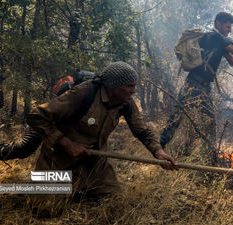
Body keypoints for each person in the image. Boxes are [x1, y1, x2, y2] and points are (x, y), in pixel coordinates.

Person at [25, 61, 177, 216]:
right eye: (130, 86)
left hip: (96, 163)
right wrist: (68, 144)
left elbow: (142, 131)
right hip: (59, 160)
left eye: (134, 86)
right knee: (44, 210)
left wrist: (159, 153)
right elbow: (37, 117)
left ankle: (78, 188)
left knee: (113, 203)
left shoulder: (126, 102)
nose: (133, 91)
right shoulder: (82, 94)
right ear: (112, 87)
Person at [160, 12, 233, 165]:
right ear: (218, 24)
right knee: (176, 118)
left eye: (230, 28)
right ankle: (159, 149)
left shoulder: (220, 42)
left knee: (209, 122)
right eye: (227, 27)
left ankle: (209, 159)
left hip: (203, 88)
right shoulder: (213, 37)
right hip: (193, 85)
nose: (229, 30)